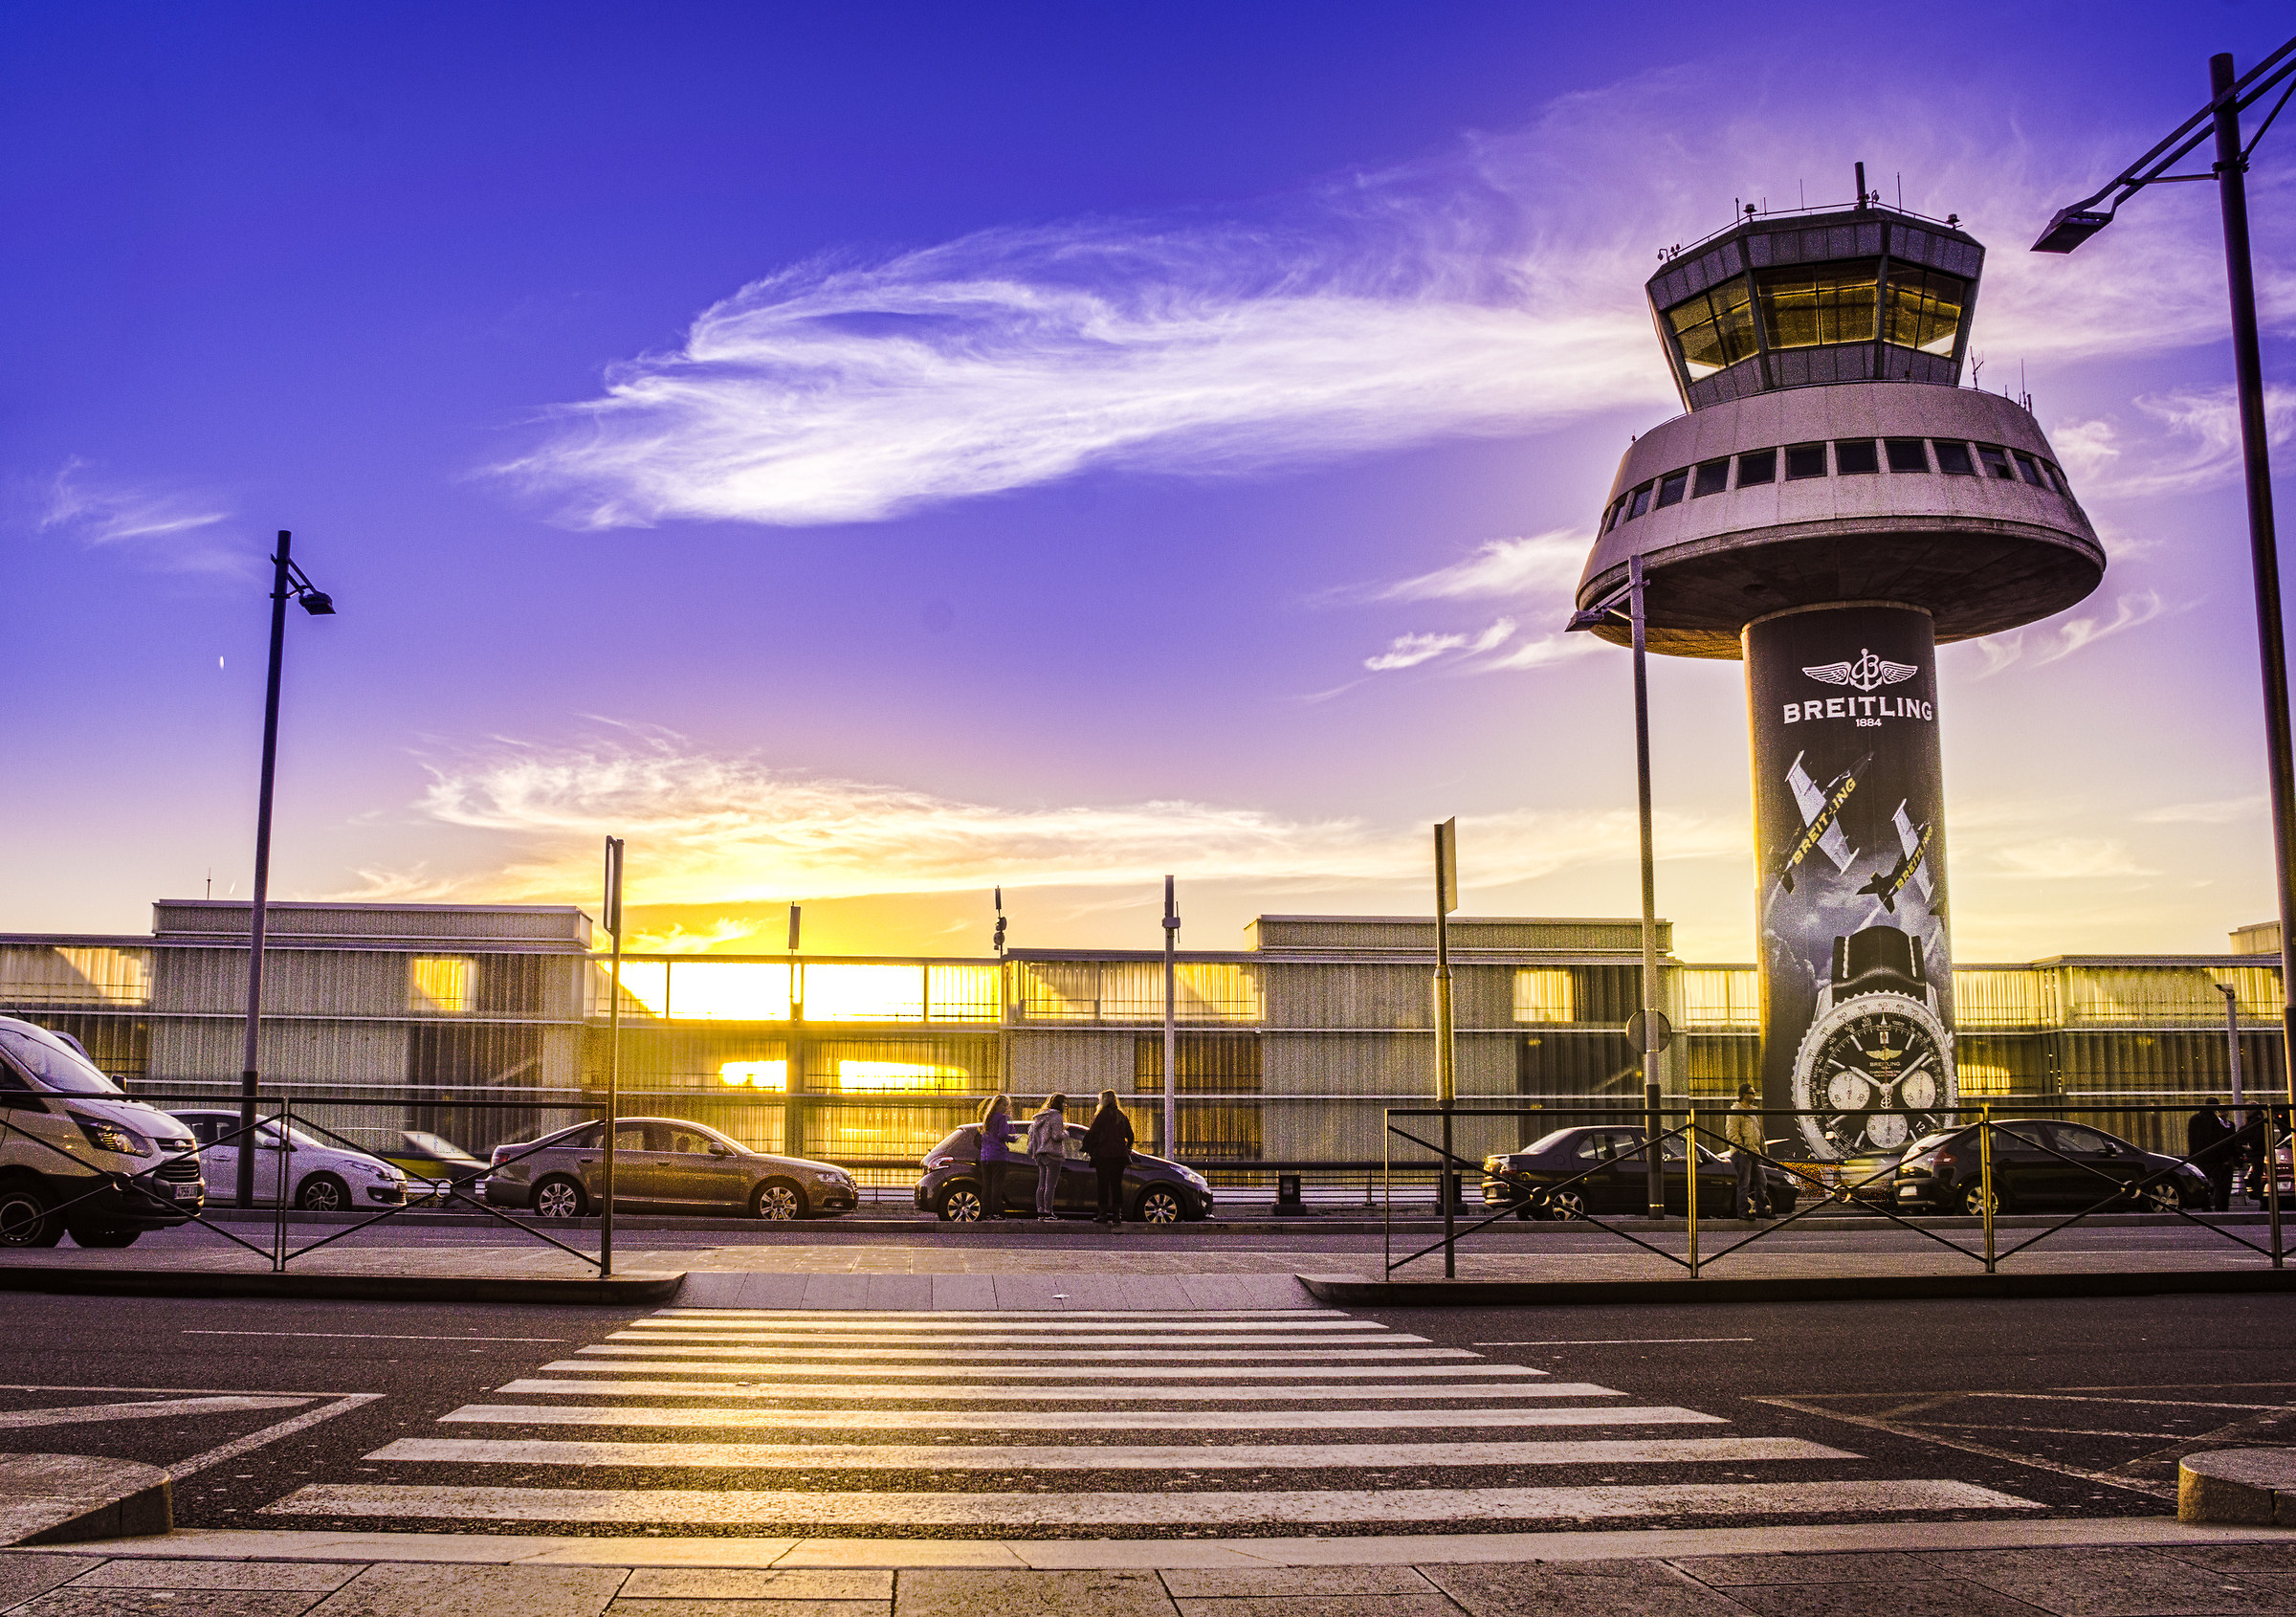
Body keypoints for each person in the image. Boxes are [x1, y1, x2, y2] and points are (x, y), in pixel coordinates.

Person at [1082, 1089, 1135, 1228]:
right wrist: (1126, 1148)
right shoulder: (1121, 1115)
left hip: (1104, 1155)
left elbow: (1092, 1133)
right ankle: (1117, 1215)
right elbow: (1131, 1136)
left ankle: (1103, 1214)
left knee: (1103, 1185)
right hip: (1119, 1156)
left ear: (1104, 1100)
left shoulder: (1102, 1114)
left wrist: (1088, 1148)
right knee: (1117, 1185)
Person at [1725, 1083, 1769, 1220]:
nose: (1754, 1096)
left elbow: (1759, 1132)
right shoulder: (1736, 1111)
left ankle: (1761, 1209)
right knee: (1744, 1183)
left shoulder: (1754, 1110)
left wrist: (1763, 1149)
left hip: (1755, 1151)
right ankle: (1743, 1211)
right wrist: (1741, 1148)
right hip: (1742, 1153)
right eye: (1752, 1093)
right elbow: (1732, 1132)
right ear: (1744, 1095)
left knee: (1761, 1180)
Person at [1024, 1094, 1069, 1223]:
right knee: (1051, 1185)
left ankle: (1041, 1211)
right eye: (1064, 1103)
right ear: (1059, 1103)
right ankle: (1049, 1211)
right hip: (1052, 1154)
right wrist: (1066, 1133)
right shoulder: (1056, 1116)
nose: (1065, 1105)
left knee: (1041, 1184)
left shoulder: (1041, 1116)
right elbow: (1056, 1136)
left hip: (1040, 1154)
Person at [2188, 1097, 2238, 1212]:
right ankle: (2220, 1208)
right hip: (2215, 1158)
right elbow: (2219, 1140)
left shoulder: (2195, 1119)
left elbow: (2192, 1140)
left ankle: (2205, 1206)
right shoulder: (2215, 1121)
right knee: (2219, 1185)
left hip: (2200, 1157)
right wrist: (2225, 1158)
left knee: (2202, 1184)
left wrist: (2192, 1156)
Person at [975, 1094, 1016, 1220]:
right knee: (997, 1185)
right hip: (998, 1155)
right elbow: (1004, 1134)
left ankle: (985, 1212)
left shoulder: (987, 1118)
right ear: (997, 1105)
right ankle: (995, 1212)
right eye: (1004, 1105)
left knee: (987, 1185)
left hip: (985, 1156)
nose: (1006, 1108)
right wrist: (1013, 1139)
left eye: (1007, 1105)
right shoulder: (1002, 1118)